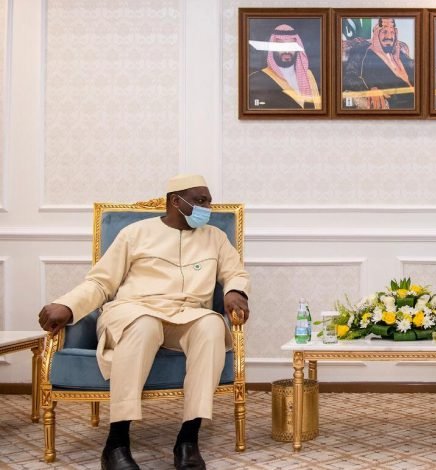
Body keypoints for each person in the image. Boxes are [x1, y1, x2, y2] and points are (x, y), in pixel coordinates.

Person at [38, 174, 251, 470]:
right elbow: (101, 283)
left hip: (187, 314)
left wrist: (234, 291)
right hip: (134, 310)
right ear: (176, 201)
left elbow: (235, 272)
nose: (207, 208)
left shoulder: (215, 237)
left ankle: (188, 439)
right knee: (145, 324)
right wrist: (67, 305)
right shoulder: (134, 233)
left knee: (212, 325)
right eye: (200, 201)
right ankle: (116, 442)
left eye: (209, 202)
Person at [342, 18, 415, 109]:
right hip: (397, 106)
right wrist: (370, 89)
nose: (389, 36)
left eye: (392, 32)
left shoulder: (400, 54)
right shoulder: (362, 52)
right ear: (377, 33)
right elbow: (349, 77)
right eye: (384, 31)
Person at [248, 24, 321, 110]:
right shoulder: (257, 79)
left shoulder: (311, 76)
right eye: (281, 46)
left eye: (291, 46)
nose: (286, 51)